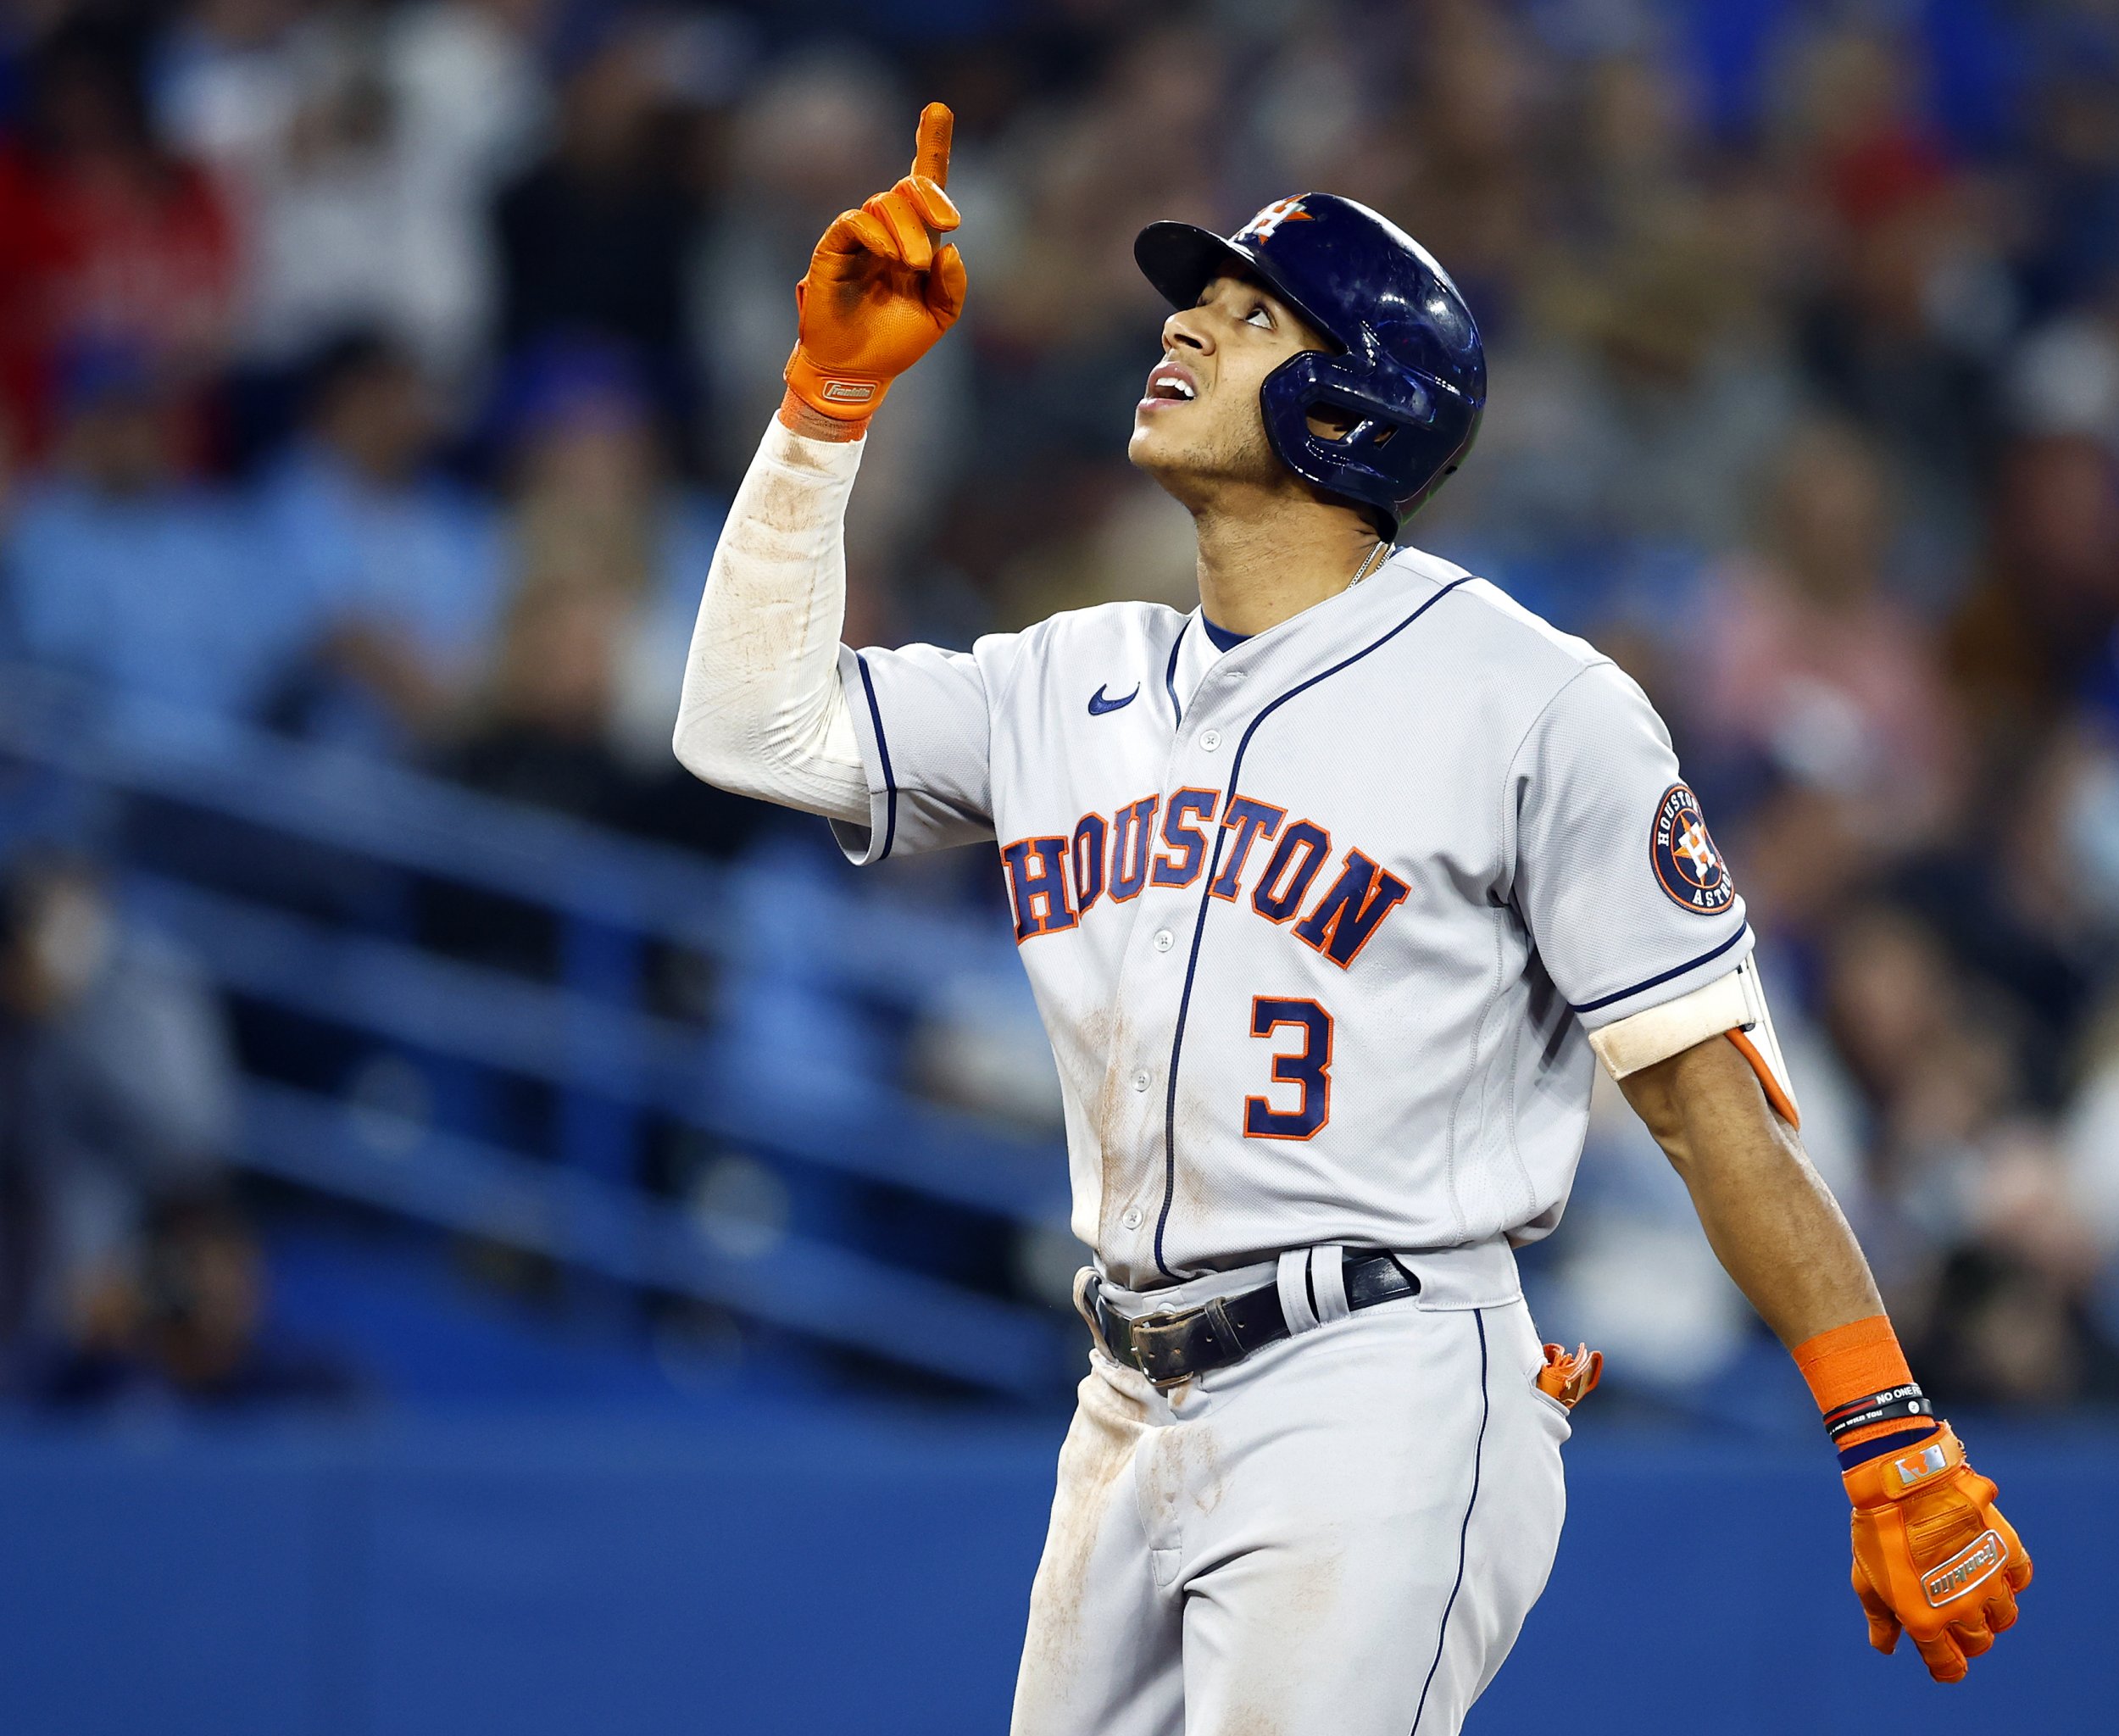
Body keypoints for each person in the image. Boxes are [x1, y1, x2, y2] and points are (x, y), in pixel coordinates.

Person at [673, 105, 2032, 1731]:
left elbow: (1704, 1106)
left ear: (1353, 406)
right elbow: (748, 731)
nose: (1184, 325)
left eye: (1253, 319)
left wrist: (1885, 1427)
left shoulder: (1533, 705)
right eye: (1201, 304)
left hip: (1381, 1377)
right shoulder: (1064, 677)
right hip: (1124, 1395)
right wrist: (825, 408)